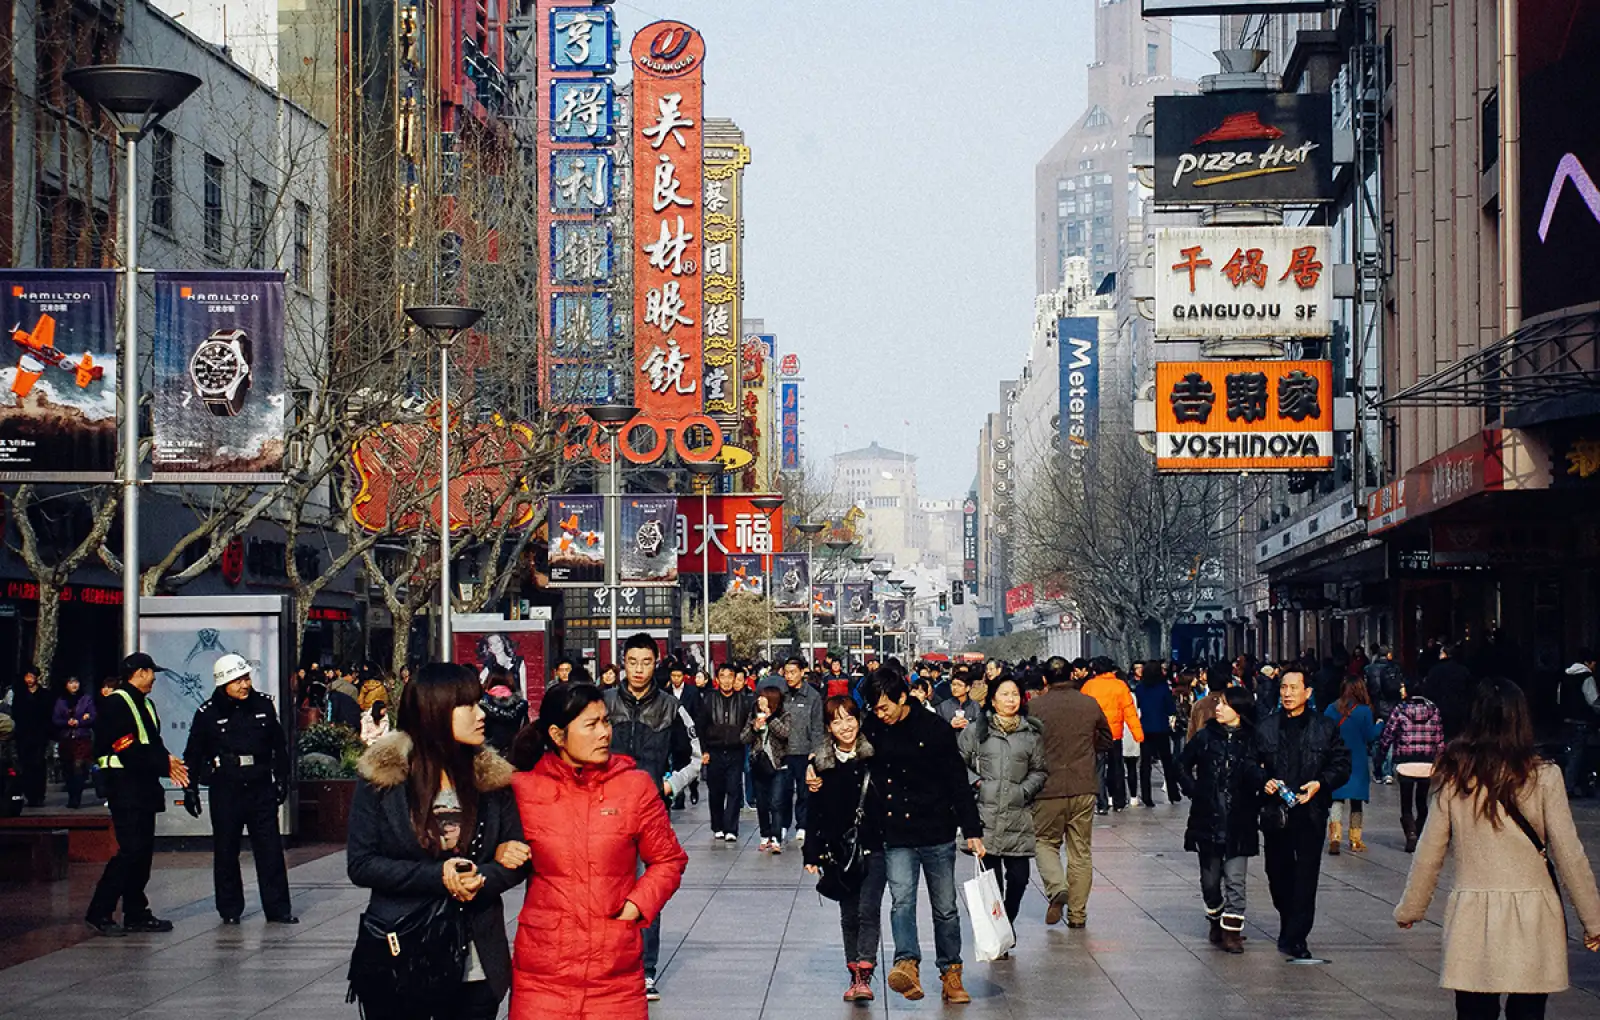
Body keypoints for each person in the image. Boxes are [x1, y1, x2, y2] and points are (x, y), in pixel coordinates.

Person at [1395, 678, 1600, 1020]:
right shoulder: (1543, 776)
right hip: (1534, 913)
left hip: (1472, 915)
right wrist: (1593, 921)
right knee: (1528, 1011)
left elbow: (1429, 851)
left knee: (1474, 1011)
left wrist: (1411, 908)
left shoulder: (1455, 776)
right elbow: (1570, 854)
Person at [347, 663, 529, 1020]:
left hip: (476, 962)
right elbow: (362, 863)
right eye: (468, 705)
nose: (482, 714)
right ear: (435, 711)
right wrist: (440, 876)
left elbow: (515, 857)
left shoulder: (491, 779)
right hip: (402, 953)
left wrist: (481, 877)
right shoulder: (383, 781)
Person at [507, 683, 688, 1020]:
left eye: (605, 721)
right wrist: (503, 851)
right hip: (542, 974)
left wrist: (636, 906)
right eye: (591, 725)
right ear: (558, 736)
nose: (604, 733)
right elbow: (484, 851)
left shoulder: (634, 786)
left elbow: (668, 859)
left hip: (614, 974)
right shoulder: (523, 790)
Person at [863, 669, 984, 1004]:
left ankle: (951, 972)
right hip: (895, 832)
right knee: (902, 902)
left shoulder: (934, 729)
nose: (880, 714)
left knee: (945, 907)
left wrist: (972, 830)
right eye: (875, 708)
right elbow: (845, 750)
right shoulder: (873, 727)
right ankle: (907, 964)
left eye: (885, 707)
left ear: (903, 697)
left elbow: (958, 782)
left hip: (936, 831)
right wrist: (815, 765)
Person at [602, 633, 701, 1000]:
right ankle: (611, 964)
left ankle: (645, 970)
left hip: (651, 814)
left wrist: (670, 785)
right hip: (606, 811)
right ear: (623, 663)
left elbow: (695, 756)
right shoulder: (603, 703)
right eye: (632, 662)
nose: (639, 669)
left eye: (646, 662)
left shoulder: (672, 708)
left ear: (655, 664)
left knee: (648, 890)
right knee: (606, 887)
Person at [183, 653, 296, 925]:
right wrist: (190, 789)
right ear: (224, 684)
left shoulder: (263, 706)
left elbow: (279, 746)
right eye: (238, 681)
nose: (245, 685)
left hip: (260, 785)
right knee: (226, 850)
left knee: (270, 849)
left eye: (246, 678)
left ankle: (278, 909)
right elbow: (194, 753)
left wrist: (282, 778)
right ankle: (230, 909)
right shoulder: (208, 713)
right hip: (226, 788)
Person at [86, 653, 192, 936]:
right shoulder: (116, 703)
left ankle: (136, 912)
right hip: (124, 786)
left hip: (144, 787)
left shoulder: (145, 703)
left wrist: (168, 760)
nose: (154, 678)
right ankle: (100, 911)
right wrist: (163, 764)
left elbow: (152, 742)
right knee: (130, 850)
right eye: (151, 672)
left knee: (143, 853)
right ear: (140, 672)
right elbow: (127, 748)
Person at [1254, 669, 1351, 961]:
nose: (1287, 693)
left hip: (1311, 812)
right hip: (1276, 813)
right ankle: (1288, 922)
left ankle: (1297, 937)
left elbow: (1342, 764)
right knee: (1277, 874)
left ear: (1307, 692)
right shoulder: (1266, 727)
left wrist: (1320, 783)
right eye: (1284, 687)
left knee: (1306, 877)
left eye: (1294, 688)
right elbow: (1250, 763)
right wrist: (1263, 781)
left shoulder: (1325, 727)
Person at [803, 696, 887, 1001]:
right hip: (838, 851)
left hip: (874, 846)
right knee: (849, 914)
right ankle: (854, 973)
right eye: (837, 721)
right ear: (829, 727)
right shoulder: (821, 764)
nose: (845, 726)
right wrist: (811, 852)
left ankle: (865, 972)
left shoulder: (874, 756)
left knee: (868, 909)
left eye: (850, 718)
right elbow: (813, 812)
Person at [957, 674, 1046, 943]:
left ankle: (1006, 920)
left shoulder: (1031, 734)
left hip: (1018, 815)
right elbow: (956, 764)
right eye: (1005, 694)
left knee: (1019, 878)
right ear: (993, 700)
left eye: (1015, 694)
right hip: (986, 816)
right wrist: (977, 784)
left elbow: (1040, 770)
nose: (1011, 700)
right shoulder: (977, 731)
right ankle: (999, 933)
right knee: (992, 882)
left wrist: (1024, 790)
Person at [1029, 656, 1111, 928]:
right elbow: (1106, 738)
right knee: (1080, 852)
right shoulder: (1089, 703)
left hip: (1047, 787)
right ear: (1072, 675)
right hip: (1082, 784)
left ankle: (1057, 887)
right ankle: (1077, 914)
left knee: (1044, 841)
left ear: (1045, 680)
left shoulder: (1034, 707)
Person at [1178, 686, 1262, 954]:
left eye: (1224, 704)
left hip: (1240, 819)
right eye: (1219, 703)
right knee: (1210, 881)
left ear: (1239, 709)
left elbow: (1265, 771)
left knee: (1236, 879)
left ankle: (1232, 931)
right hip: (1207, 818)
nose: (1218, 708)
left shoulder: (1253, 740)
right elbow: (1181, 764)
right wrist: (1194, 790)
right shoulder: (1205, 736)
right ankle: (1215, 918)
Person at [1376, 683, 1445, 852]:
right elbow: (1439, 739)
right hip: (1427, 764)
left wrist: (1381, 755)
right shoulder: (1434, 710)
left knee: (1406, 804)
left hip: (1405, 763)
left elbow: (1388, 734)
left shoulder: (1400, 710)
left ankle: (1411, 833)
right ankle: (1420, 832)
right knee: (1422, 802)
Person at [696, 662, 753, 843]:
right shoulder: (709, 700)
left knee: (734, 789)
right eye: (723, 676)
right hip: (714, 750)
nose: (727, 681)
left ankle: (731, 828)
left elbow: (748, 725)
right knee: (716, 790)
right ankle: (718, 825)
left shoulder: (743, 701)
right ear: (717, 679)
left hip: (736, 750)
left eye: (730, 677)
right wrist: (703, 750)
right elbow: (700, 727)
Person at [1324, 677, 1381, 854]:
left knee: (1337, 799)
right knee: (1356, 802)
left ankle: (1335, 836)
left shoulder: (1331, 708)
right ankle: (1355, 839)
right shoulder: (1364, 711)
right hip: (1357, 761)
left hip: (1336, 759)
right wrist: (1380, 725)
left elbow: (1324, 732)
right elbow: (1370, 736)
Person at [1081, 657, 1142, 813]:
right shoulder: (1120, 685)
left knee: (1099, 769)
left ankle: (1102, 803)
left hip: (1096, 734)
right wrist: (1138, 734)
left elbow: (1082, 711)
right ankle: (1119, 801)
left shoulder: (1088, 686)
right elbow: (1130, 712)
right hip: (1115, 734)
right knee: (1117, 767)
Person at [777, 656, 824, 845]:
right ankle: (783, 824)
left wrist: (815, 750)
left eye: (793, 672)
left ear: (802, 672)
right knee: (784, 791)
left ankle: (802, 825)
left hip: (805, 751)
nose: (789, 676)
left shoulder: (813, 696)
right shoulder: (781, 694)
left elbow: (817, 726)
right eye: (786, 672)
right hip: (784, 751)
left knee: (804, 792)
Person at [744, 686, 792, 852]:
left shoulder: (784, 715)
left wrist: (770, 717)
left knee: (776, 802)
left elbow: (785, 733)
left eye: (763, 698)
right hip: (759, 765)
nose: (759, 701)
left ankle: (776, 838)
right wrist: (754, 727)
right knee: (762, 803)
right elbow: (744, 737)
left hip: (779, 765)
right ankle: (765, 835)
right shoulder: (753, 714)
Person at [1133, 662, 1182, 808]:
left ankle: (1146, 796)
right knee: (1166, 761)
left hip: (1145, 727)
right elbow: (1170, 708)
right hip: (1161, 728)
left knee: (1145, 764)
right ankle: (1173, 792)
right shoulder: (1163, 688)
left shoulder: (1140, 688)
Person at [10, 666, 51, 807]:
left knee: (38, 764)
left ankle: (39, 794)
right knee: (25, 765)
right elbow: (16, 713)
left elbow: (47, 714)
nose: (29, 680)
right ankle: (29, 794)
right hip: (23, 734)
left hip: (40, 734)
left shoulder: (44, 695)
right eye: (27, 677)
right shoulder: (20, 695)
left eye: (32, 677)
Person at [52, 675, 96, 808]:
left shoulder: (86, 699)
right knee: (68, 768)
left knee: (79, 767)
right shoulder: (61, 701)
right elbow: (55, 719)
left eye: (76, 682)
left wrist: (80, 722)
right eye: (71, 683)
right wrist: (67, 722)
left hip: (82, 737)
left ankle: (77, 797)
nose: (74, 685)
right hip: (66, 738)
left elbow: (93, 716)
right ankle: (71, 795)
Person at [1558, 650, 1598, 797]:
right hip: (1582, 720)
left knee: (1570, 753)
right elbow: (1593, 701)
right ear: (1588, 662)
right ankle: (1571, 787)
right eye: (1593, 663)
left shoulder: (1565, 676)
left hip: (1566, 720)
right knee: (1579, 755)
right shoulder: (1586, 677)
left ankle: (1571, 785)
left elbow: (1559, 698)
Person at [665, 660, 702, 809]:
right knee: (676, 766)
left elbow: (698, 713)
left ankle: (693, 787)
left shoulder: (692, 692)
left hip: (688, 736)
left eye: (678, 676)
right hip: (672, 736)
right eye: (673, 675)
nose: (676, 679)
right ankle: (679, 798)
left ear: (683, 676)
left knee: (689, 764)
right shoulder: (666, 692)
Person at [1425, 642, 1475, 741]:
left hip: (1439, 709)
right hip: (1458, 710)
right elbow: (1470, 691)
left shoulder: (1434, 670)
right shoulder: (1463, 670)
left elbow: (1428, 691)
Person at [480, 671, 528, 756]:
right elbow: (525, 729)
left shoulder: (483, 705)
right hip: (514, 753)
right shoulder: (521, 705)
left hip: (488, 754)